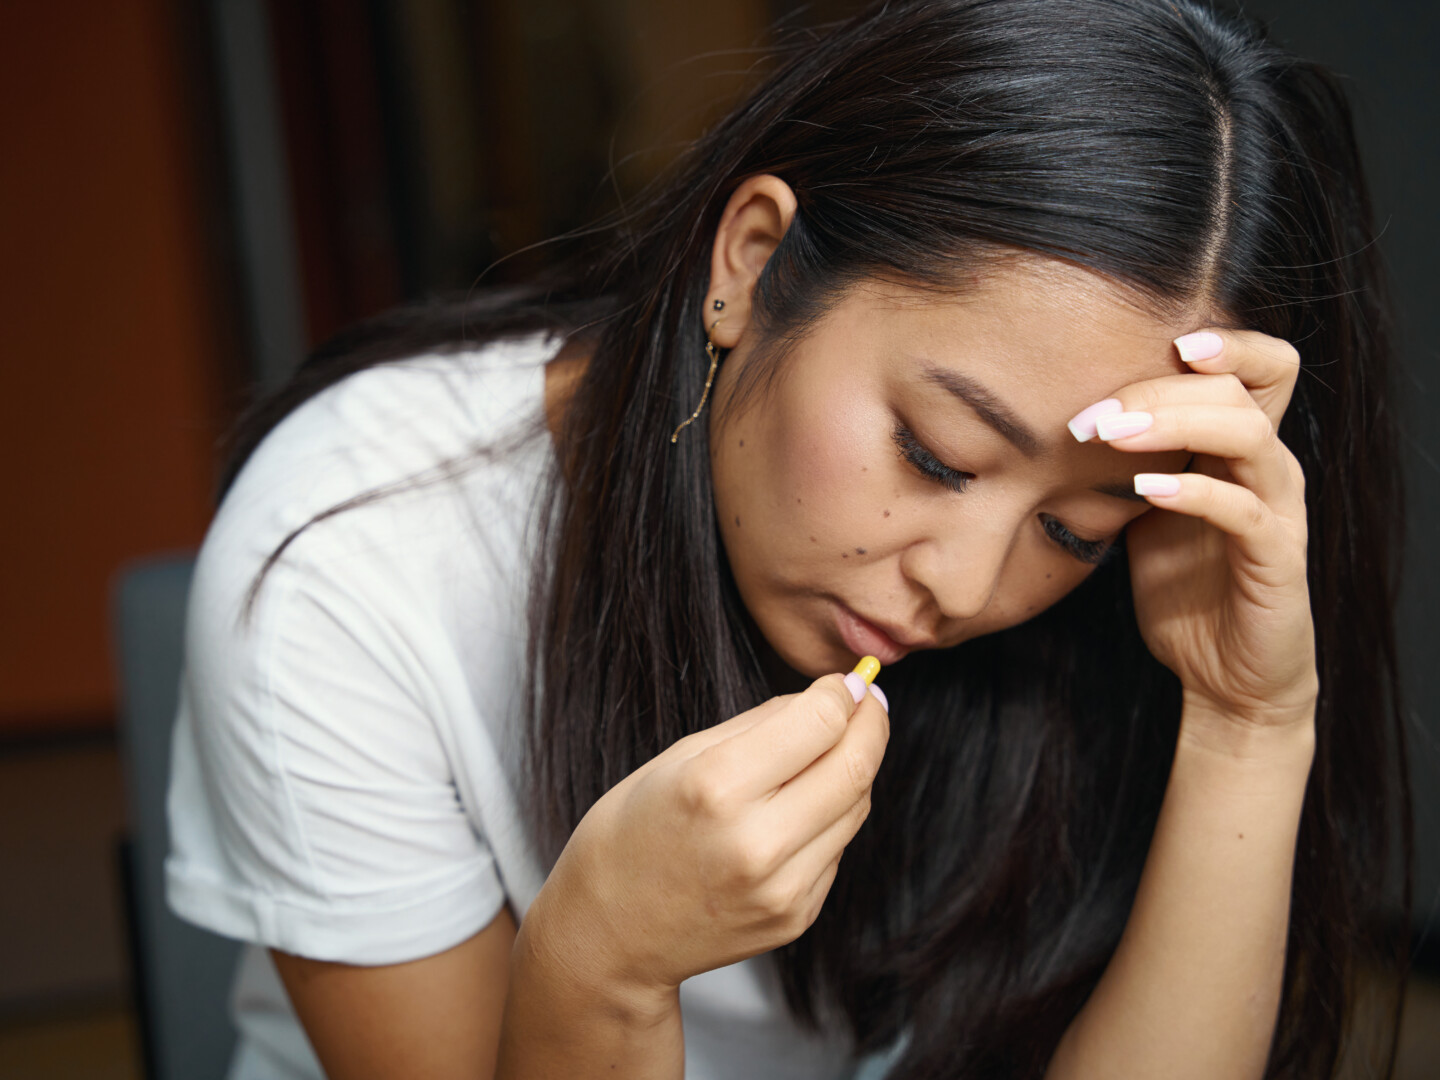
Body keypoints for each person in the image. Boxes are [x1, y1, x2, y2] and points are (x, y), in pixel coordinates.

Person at [164, 0, 1413, 1077]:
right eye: (935, 454)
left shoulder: (1118, 619)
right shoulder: (347, 567)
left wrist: (1250, 725)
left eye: (1075, 531)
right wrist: (599, 957)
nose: (964, 588)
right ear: (751, 261)